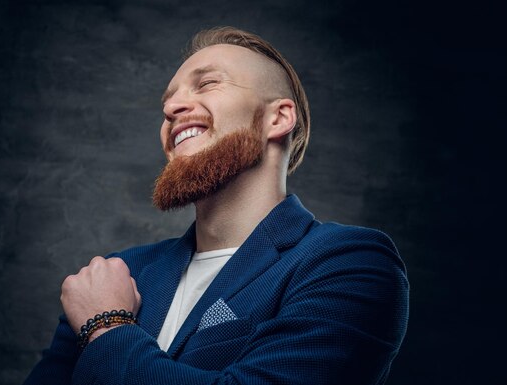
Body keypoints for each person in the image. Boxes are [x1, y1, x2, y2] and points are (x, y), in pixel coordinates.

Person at [23, 26, 409, 385]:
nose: (172, 108)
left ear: (278, 117)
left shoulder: (348, 263)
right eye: (168, 99)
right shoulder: (119, 273)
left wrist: (106, 326)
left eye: (207, 83)